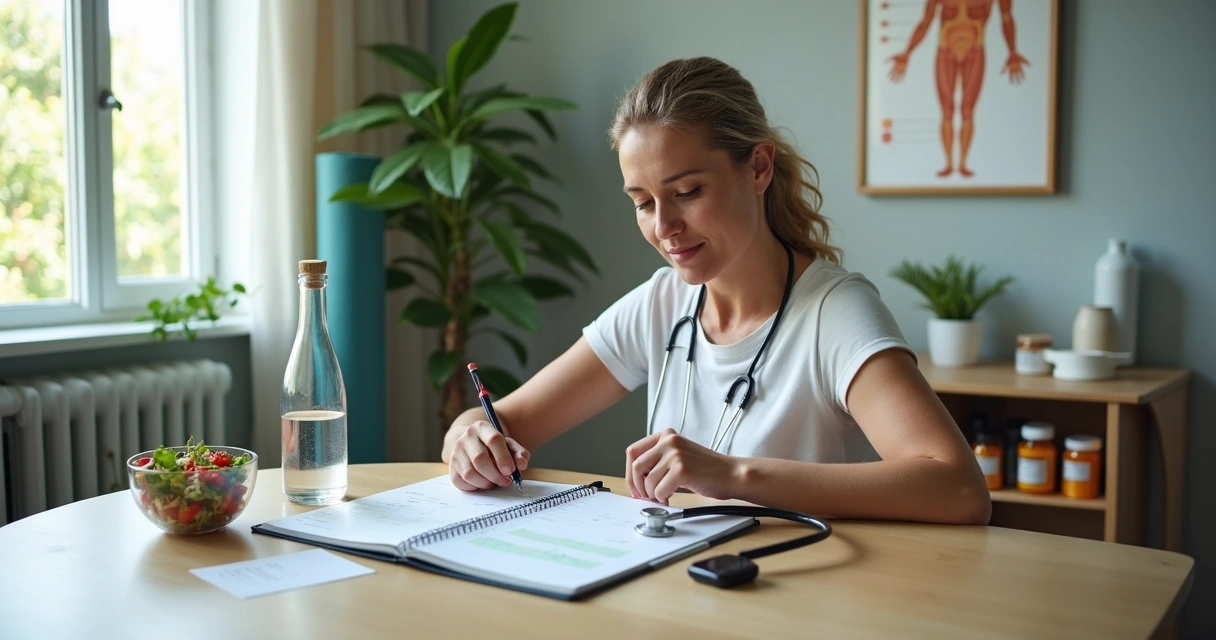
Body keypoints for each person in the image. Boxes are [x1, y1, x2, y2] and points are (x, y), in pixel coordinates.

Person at [442, 56, 991, 525]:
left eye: (687, 191)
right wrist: (469, 439)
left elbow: (960, 488)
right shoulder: (661, 304)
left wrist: (732, 475)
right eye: (643, 202)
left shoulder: (835, 312)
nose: (664, 227)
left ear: (758, 167)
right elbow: (499, 419)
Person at [887, 0, 1029, 178]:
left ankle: (962, 163)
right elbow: (925, 21)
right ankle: (948, 164)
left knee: (967, 110)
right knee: (947, 110)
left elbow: (1006, 17)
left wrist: (1012, 51)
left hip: (975, 50)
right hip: (946, 50)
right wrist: (907, 53)